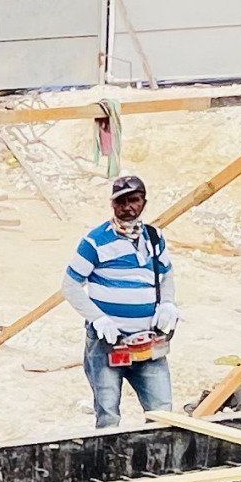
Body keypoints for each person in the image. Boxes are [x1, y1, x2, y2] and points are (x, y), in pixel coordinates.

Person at [65, 168, 179, 425]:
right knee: (108, 413)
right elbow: (70, 285)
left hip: (147, 341)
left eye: (134, 200)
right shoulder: (95, 241)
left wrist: (168, 303)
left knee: (162, 413)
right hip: (108, 343)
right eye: (121, 201)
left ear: (144, 202)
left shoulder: (154, 238)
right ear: (112, 204)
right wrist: (98, 318)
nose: (128, 207)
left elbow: (166, 274)